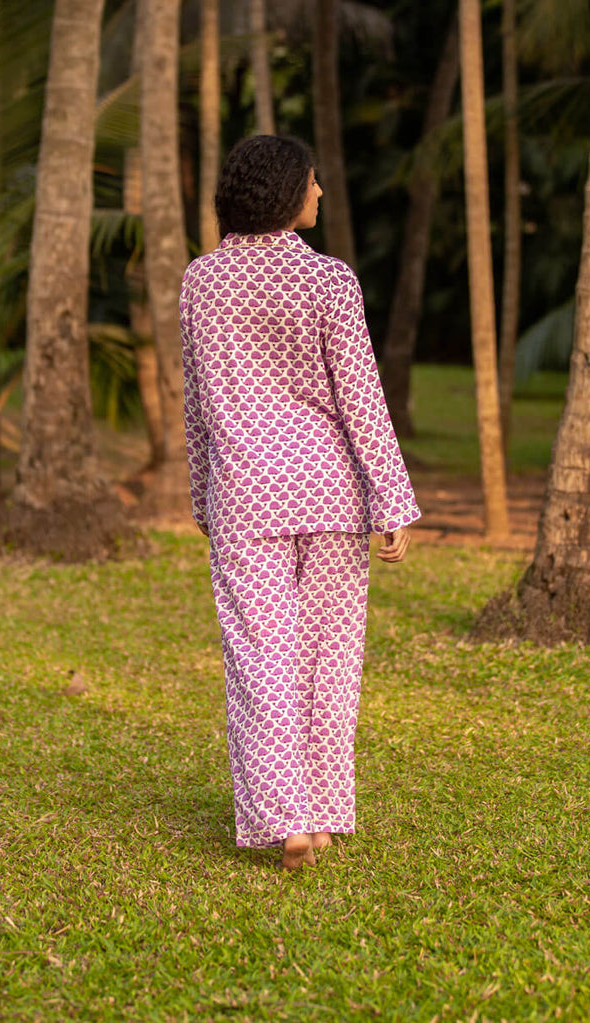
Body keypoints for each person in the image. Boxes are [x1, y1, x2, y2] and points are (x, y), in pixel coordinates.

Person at [180, 135, 420, 870]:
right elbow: (360, 397)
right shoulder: (330, 280)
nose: (319, 192)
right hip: (330, 494)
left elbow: (198, 405)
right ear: (287, 193)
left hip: (245, 494)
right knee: (326, 661)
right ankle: (316, 815)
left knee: (260, 660)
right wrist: (391, 499)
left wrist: (204, 498)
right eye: (312, 182)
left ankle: (286, 820)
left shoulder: (200, 281)